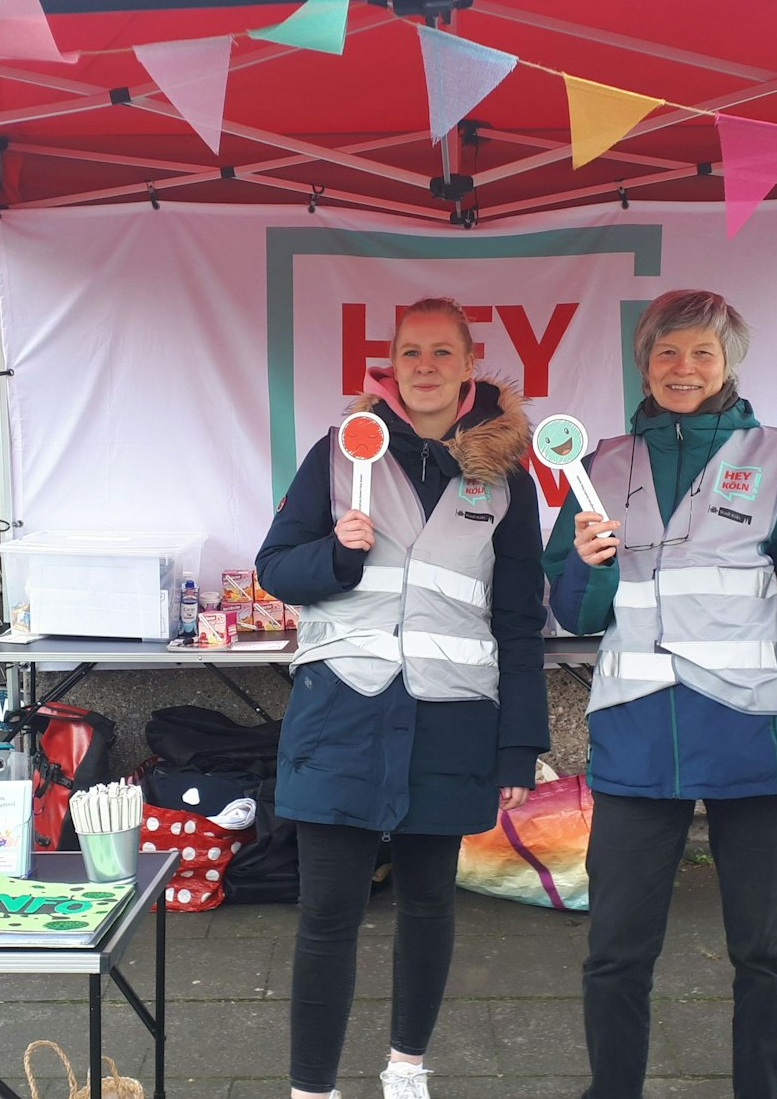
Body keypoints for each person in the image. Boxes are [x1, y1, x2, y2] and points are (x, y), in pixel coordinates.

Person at [542, 289, 777, 1099]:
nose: (684, 369)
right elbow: (576, 611)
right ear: (643, 362)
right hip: (637, 744)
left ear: (729, 364)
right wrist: (586, 559)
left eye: (703, 353)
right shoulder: (598, 466)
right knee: (615, 949)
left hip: (755, 739)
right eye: (667, 353)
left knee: (764, 950)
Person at [258, 297, 550, 1099]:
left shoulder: (506, 477)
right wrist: (336, 555)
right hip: (342, 709)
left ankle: (407, 1070)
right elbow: (276, 568)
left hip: (453, 716)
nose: (424, 366)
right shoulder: (339, 453)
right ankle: (311, 1087)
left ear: (467, 365)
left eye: (441, 353)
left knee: (428, 904)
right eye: (410, 352)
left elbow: (520, 619)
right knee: (327, 912)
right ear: (389, 365)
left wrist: (519, 743)